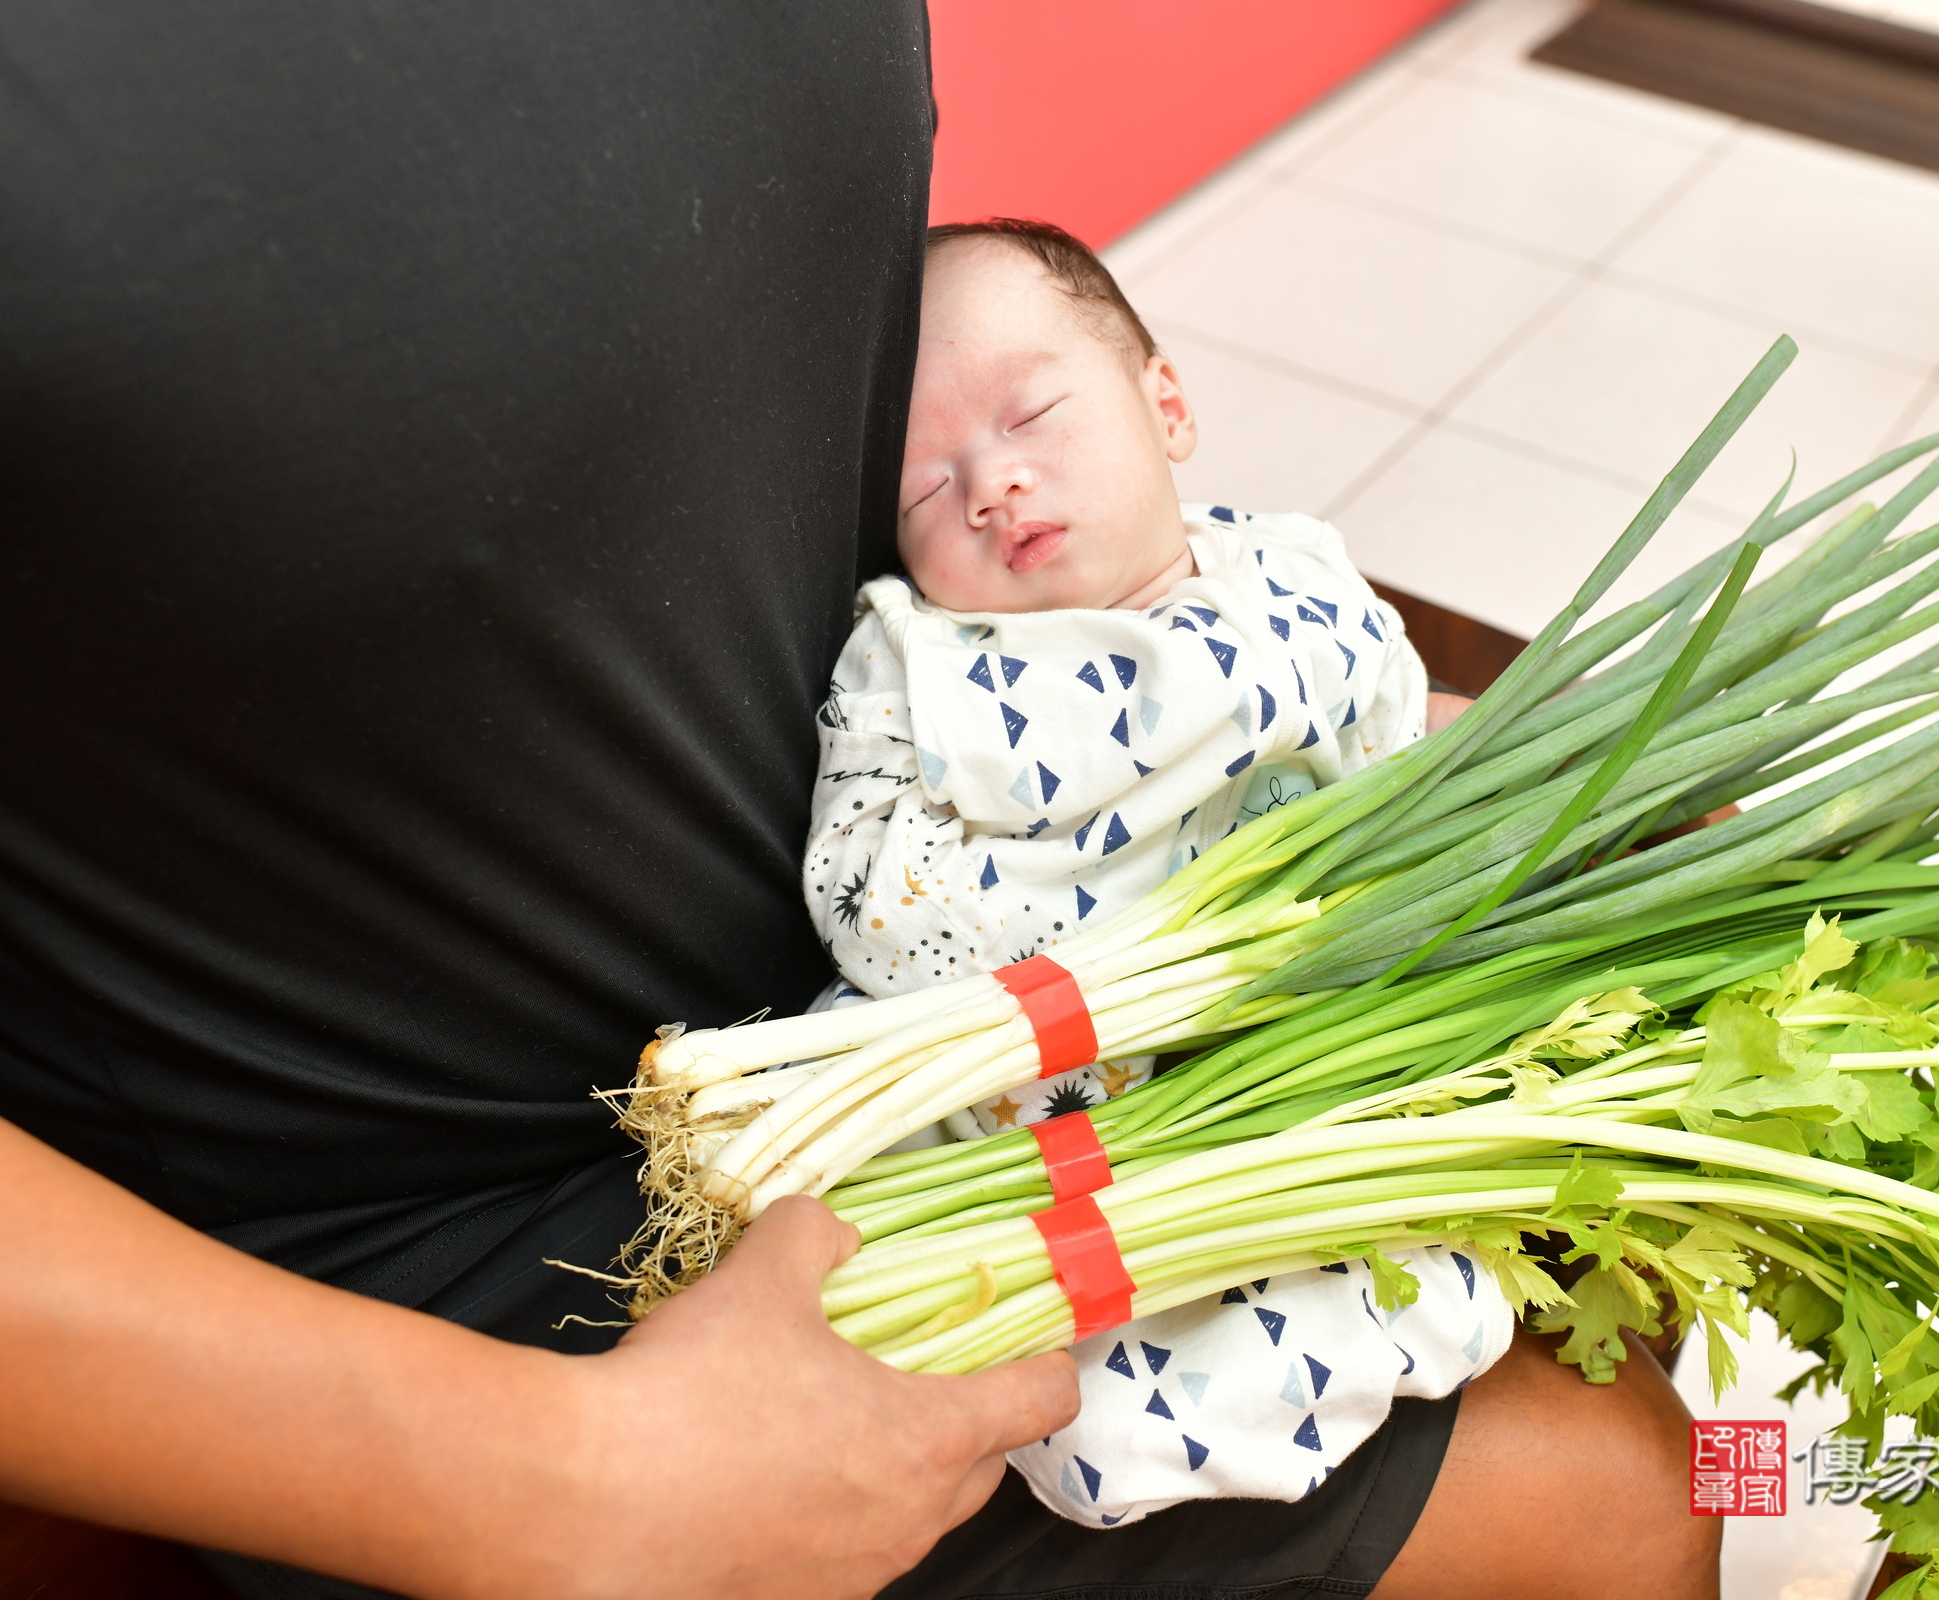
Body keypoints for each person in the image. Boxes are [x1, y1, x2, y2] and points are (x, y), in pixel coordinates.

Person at [0, 5, 1716, 1598]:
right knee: (1624, 1496)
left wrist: (1309, 749)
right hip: (456, 1228)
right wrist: (558, 1477)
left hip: (966, 999)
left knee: (1647, 1367)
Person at [800, 219, 1513, 1530]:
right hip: (1031, 1088)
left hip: (1267, 1076)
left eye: (1030, 415)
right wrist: (1124, 940)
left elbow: (1395, 736)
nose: (991, 485)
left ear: (1166, 404)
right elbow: (860, 900)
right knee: (1059, 1364)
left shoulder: (1293, 585)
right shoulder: (918, 663)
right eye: (923, 489)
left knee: (1382, 1255)